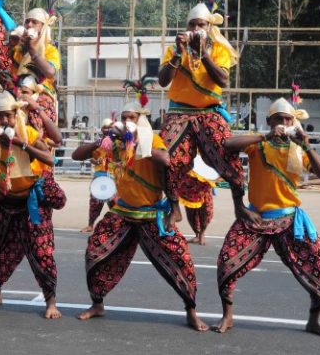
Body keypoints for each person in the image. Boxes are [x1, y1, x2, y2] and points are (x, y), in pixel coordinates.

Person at [76, 102, 209, 331]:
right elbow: (77, 155)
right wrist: (102, 141)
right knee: (95, 252)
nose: (128, 120)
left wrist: (135, 139)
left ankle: (191, 311)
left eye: (132, 117)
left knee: (181, 260)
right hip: (123, 212)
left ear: (141, 120)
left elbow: (165, 160)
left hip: (150, 213)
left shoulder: (150, 139)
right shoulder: (115, 144)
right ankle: (97, 304)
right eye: (125, 116)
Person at [215, 98, 320, 338]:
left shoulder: (299, 149)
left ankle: (314, 320)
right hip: (256, 218)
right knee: (227, 263)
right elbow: (228, 144)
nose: (283, 122)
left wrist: (307, 145)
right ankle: (228, 315)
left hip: (290, 219)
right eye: (278, 118)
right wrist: (265, 136)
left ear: (294, 122)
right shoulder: (259, 144)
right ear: (269, 121)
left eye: (287, 119)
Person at [0, 92, 65, 319]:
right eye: (0, 117)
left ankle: (50, 301)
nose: (4, 121)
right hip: (6, 201)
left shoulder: (29, 133)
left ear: (17, 116)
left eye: (8, 117)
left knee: (41, 253)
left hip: (32, 202)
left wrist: (22, 145)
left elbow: (50, 159)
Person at [158, 3, 244, 221]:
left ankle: (239, 205)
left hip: (209, 111)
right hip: (179, 111)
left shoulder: (219, 50)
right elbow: (162, 81)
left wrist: (203, 53)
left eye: (201, 25)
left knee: (228, 156)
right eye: (192, 24)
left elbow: (222, 80)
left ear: (209, 27)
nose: (196, 29)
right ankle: (173, 205)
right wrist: (178, 53)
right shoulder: (174, 49)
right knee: (164, 156)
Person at [10, 8, 61, 110]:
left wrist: (32, 50)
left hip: (42, 96)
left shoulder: (50, 50)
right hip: (16, 94)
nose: (29, 25)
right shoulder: (17, 49)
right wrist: (10, 45)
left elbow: (50, 72)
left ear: (43, 28)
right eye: (27, 21)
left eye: (34, 22)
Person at [72, 118, 116, 233]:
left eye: (111, 127)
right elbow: (84, 156)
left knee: (115, 204)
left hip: (115, 178)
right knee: (95, 203)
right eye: (106, 127)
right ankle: (90, 225)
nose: (108, 130)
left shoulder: (118, 143)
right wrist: (94, 159)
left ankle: (119, 226)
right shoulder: (98, 144)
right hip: (99, 177)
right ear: (102, 129)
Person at [180, 170, 216, 245]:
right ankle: (197, 234)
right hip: (188, 185)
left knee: (206, 212)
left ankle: (202, 234)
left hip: (204, 183)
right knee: (191, 214)